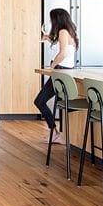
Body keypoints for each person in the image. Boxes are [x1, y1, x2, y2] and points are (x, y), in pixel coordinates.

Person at [33, 8, 78, 144]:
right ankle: (57, 133)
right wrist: (49, 38)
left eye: (52, 19)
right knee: (53, 103)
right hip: (66, 71)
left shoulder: (63, 31)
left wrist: (52, 67)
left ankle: (55, 133)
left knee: (39, 101)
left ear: (57, 19)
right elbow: (65, 47)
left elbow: (63, 53)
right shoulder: (69, 31)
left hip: (61, 72)